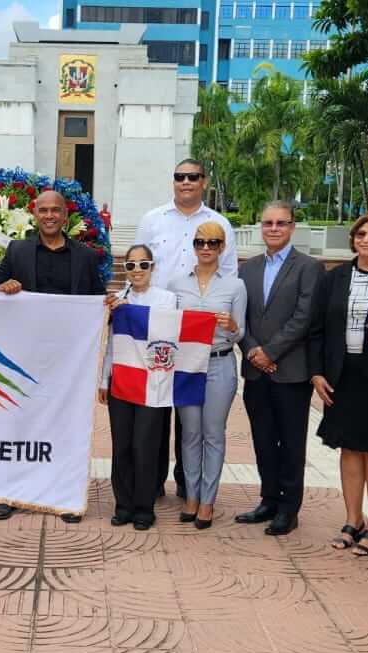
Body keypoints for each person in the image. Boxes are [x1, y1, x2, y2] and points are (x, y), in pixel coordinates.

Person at [0, 189, 110, 522]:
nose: (50, 216)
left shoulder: (85, 257)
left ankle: (64, 497)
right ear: (35, 214)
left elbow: (98, 305)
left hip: (69, 362)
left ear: (65, 216)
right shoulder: (18, 251)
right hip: (22, 358)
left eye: (56, 210)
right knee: (16, 425)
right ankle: (8, 493)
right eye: (44, 210)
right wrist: (2, 288)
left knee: (66, 429)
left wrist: (109, 307)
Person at [134, 158, 237, 499]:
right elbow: (139, 266)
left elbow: (230, 276)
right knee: (157, 407)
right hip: (159, 328)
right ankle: (152, 480)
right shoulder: (153, 220)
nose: (186, 182)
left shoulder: (218, 224)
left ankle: (187, 484)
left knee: (191, 416)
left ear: (204, 182)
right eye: (179, 177)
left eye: (193, 177)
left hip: (199, 337)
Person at [307, 213, 368, 556]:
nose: (367, 240)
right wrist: (317, 372)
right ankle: (351, 518)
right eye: (361, 234)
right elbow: (317, 328)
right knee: (349, 449)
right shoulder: (336, 277)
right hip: (341, 375)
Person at [235, 201, 323, 536]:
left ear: (292, 227)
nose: (273, 228)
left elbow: (304, 317)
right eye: (268, 223)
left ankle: (289, 508)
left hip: (290, 371)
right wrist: (252, 350)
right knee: (263, 438)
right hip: (256, 371)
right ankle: (268, 499)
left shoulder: (309, 268)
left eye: (280, 223)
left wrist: (270, 352)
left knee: (290, 442)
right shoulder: (249, 268)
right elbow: (240, 317)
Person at [169, 221, 246, 530]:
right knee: (189, 434)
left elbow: (242, 333)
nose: (205, 248)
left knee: (213, 434)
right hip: (187, 364)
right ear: (194, 246)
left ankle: (207, 501)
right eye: (200, 242)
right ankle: (190, 495)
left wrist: (231, 327)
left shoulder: (235, 286)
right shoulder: (177, 284)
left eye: (212, 243)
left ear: (222, 248)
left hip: (219, 362)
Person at [99, 244, 178, 530]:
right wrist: (103, 379)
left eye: (142, 264)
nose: (137, 271)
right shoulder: (116, 299)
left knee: (145, 445)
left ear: (152, 267)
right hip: (121, 379)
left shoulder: (167, 299)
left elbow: (162, 332)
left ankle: (144, 507)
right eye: (130, 265)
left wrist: (129, 311)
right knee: (122, 446)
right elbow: (109, 345)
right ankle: (123, 504)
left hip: (153, 383)